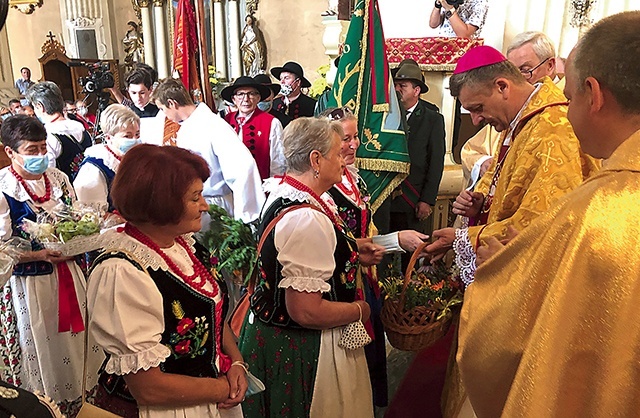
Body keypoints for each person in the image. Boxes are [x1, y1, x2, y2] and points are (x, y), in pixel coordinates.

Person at [458, 11, 640, 417]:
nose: (565, 110)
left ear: (593, 95)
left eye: (570, 96)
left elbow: (506, 342)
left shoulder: (599, 210)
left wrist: (499, 267)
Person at [239, 117, 384, 418]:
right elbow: (306, 311)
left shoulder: (286, 192)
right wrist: (362, 310)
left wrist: (353, 248)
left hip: (277, 334)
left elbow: (295, 250)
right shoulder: (306, 217)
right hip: (303, 348)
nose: (345, 157)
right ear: (315, 159)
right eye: (337, 151)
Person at [87, 144, 246, 417]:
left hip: (208, 395)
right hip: (164, 409)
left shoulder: (184, 244)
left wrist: (237, 364)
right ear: (162, 203)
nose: (205, 205)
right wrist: (221, 389)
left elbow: (213, 315)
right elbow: (149, 388)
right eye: (195, 198)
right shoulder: (123, 271)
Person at [425, 45, 598, 287]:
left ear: (502, 87)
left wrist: (464, 238)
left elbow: (544, 223)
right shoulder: (520, 122)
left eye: (478, 108)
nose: (475, 121)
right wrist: (481, 203)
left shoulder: (553, 128)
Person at [322, 107, 429, 408]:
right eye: (346, 139)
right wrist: (396, 240)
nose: (354, 145)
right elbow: (335, 244)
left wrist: (396, 240)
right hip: (339, 287)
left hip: (364, 278)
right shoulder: (324, 189)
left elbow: (366, 237)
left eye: (356, 137)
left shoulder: (353, 179)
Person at [0, 115, 103, 417]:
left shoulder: (58, 179)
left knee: (75, 341)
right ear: (10, 152)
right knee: (41, 345)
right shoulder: (3, 188)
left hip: (68, 272)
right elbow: (1, 248)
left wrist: (80, 237)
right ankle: (45, 406)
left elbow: (76, 219)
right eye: (32, 150)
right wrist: (38, 255)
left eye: (43, 147)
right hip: (29, 284)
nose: (40, 155)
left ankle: (82, 400)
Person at [461, 31, 566, 189]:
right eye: (512, 71)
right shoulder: (509, 111)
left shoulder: (560, 114)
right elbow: (472, 149)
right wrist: (481, 164)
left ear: (550, 66)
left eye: (525, 69)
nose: (516, 79)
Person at [151, 78, 265, 223]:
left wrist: (245, 216)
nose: (164, 115)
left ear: (172, 103)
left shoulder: (212, 126)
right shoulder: (189, 125)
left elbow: (243, 167)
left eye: (162, 109)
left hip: (215, 207)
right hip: (196, 204)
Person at [390, 60, 445, 262]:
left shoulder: (432, 118)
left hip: (412, 198)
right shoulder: (386, 115)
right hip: (388, 198)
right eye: (396, 85)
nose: (397, 90)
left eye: (402, 86)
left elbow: (436, 161)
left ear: (416, 90)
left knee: (410, 255)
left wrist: (427, 200)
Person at [73, 104, 140, 211]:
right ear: (109, 138)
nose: (135, 140)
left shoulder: (132, 158)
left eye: (137, 134)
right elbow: (94, 215)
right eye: (127, 136)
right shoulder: (95, 168)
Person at [221, 76, 285, 180]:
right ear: (234, 99)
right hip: (230, 186)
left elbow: (278, 162)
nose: (246, 99)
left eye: (251, 94)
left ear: (258, 98)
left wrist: (273, 189)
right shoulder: (225, 121)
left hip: (260, 186)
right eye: (240, 94)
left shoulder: (271, 122)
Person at [26, 82, 92, 180]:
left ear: (40, 106)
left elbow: (49, 175)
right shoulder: (79, 126)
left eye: (34, 107)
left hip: (69, 192)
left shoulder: (47, 135)